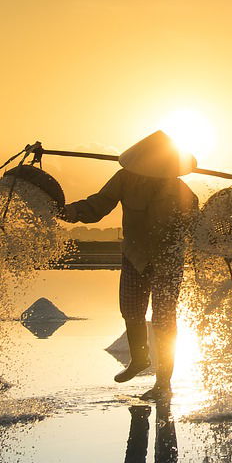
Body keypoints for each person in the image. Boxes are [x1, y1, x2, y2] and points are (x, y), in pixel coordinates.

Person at [60, 130, 199, 400]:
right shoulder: (124, 179)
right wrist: (69, 211)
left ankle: (163, 383)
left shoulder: (180, 189)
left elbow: (196, 224)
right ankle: (139, 359)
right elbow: (97, 205)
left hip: (168, 258)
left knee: (164, 319)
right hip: (135, 253)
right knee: (131, 309)